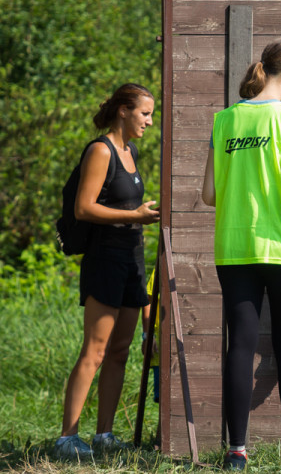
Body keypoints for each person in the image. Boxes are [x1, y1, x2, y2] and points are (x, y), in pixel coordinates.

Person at [201, 39, 281, 470]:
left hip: (233, 248)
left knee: (241, 345)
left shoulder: (223, 120)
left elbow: (209, 194)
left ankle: (236, 452)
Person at [55, 83, 160, 460]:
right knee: (95, 351)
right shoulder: (101, 151)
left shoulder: (130, 152)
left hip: (132, 259)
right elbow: (84, 208)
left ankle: (104, 435)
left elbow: (121, 201)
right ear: (123, 111)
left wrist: (142, 212)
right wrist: (134, 215)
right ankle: (67, 438)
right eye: (144, 113)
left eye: (151, 114)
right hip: (104, 261)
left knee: (120, 351)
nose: (149, 120)